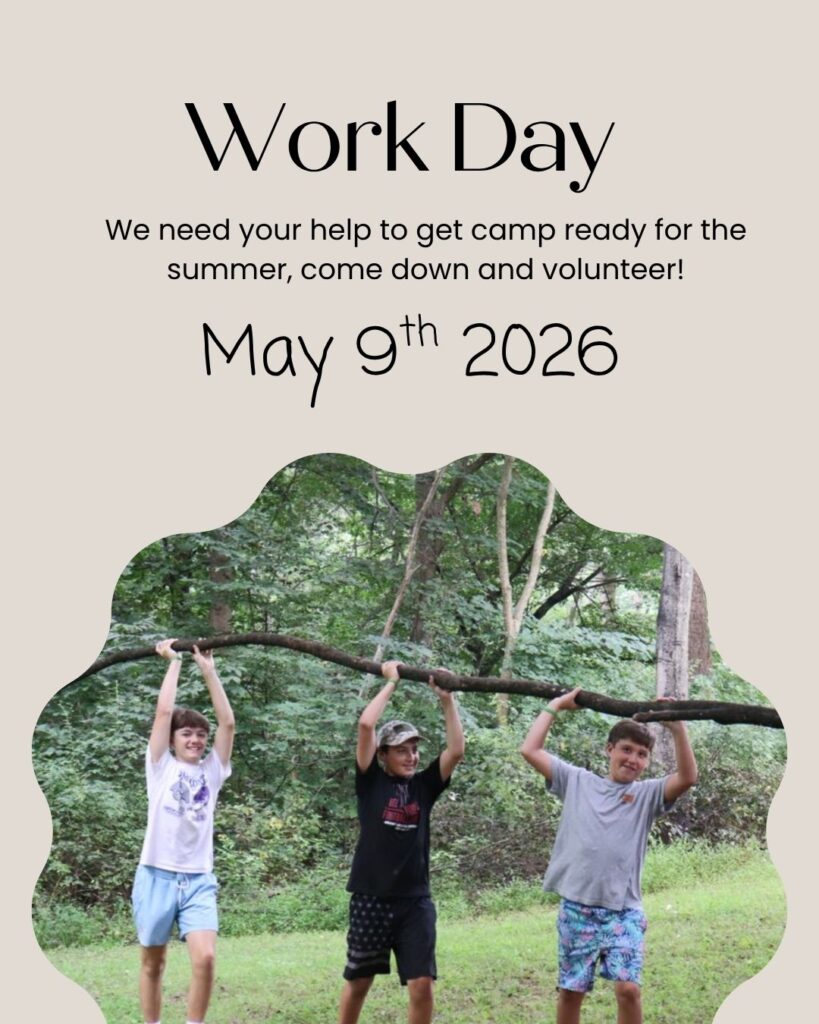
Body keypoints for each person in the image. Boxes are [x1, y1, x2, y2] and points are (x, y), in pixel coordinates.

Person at [521, 688, 698, 1024]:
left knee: (628, 989)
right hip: (578, 908)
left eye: (642, 754)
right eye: (626, 749)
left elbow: (688, 777)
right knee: (571, 992)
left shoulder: (647, 794)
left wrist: (677, 727)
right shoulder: (576, 781)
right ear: (609, 749)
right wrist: (556, 705)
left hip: (624, 910)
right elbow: (529, 750)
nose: (633, 759)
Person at [338, 660, 465, 1024]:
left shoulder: (424, 786)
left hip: (415, 901)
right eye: (401, 750)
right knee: (359, 981)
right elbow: (366, 725)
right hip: (371, 898)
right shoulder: (370, 782)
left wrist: (447, 699)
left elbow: (456, 750)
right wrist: (390, 682)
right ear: (383, 754)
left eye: (414, 749)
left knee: (422, 984)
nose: (411, 757)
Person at [132, 639, 236, 1024]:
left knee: (205, 958)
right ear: (173, 740)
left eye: (199, 734)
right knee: (153, 964)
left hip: (197, 880)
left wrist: (209, 670)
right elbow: (164, 713)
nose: (195, 740)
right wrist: (174, 662)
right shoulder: (160, 766)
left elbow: (228, 723)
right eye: (186, 733)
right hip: (156, 875)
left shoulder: (213, 770)